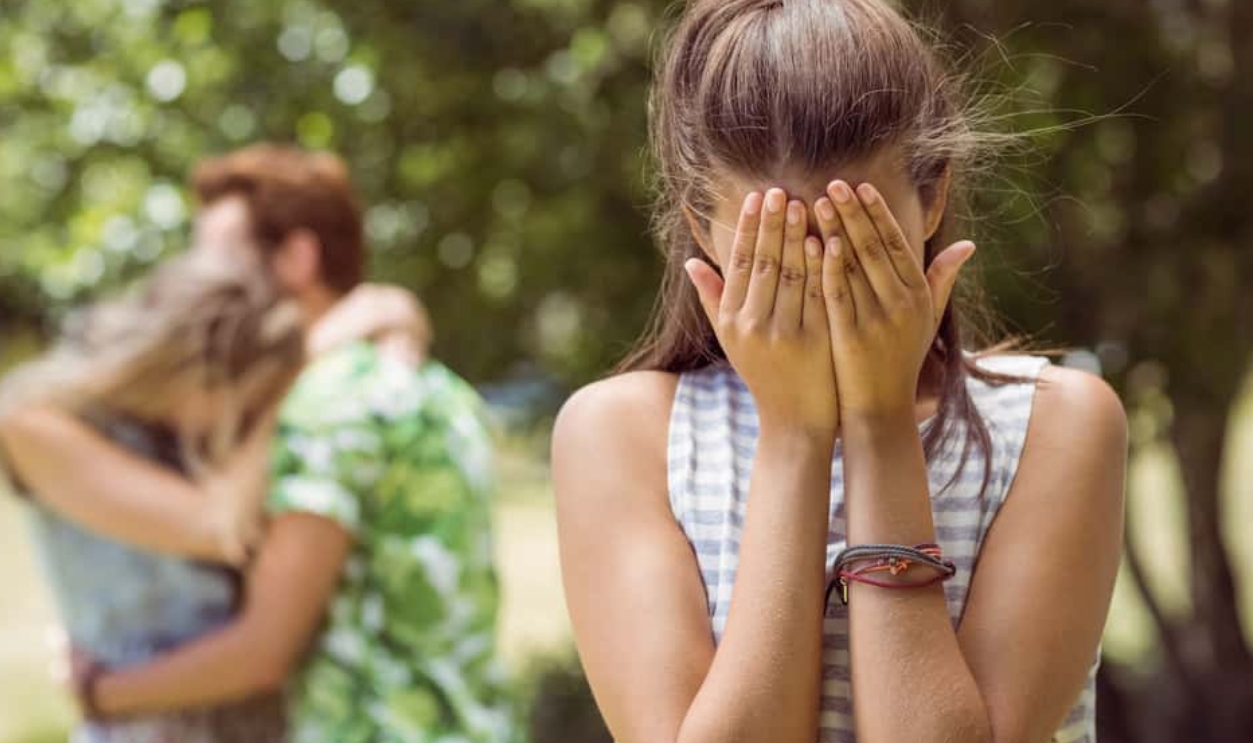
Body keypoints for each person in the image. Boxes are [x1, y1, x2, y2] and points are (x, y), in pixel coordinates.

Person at [551, 2, 1125, 743]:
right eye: (779, 250)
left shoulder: (1058, 424)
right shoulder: (620, 435)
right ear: (701, 225)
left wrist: (879, 425)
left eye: (855, 241)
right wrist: (793, 434)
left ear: (930, 198)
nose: (821, 280)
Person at [7, 144, 515, 743]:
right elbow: (215, 524)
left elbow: (257, 623)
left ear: (297, 258)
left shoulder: (317, 408)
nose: (201, 272)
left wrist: (98, 692)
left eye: (220, 253)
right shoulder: (39, 419)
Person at [0, 254, 306, 743]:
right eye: (245, 398)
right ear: (192, 370)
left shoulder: (179, 437)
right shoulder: (34, 422)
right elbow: (217, 528)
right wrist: (300, 377)